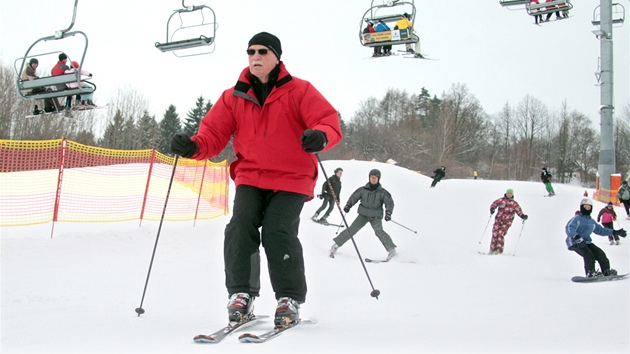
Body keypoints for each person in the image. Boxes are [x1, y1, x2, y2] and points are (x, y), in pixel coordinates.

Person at [169, 32, 342, 329]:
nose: (255, 57)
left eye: (262, 51)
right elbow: (213, 134)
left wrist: (320, 136)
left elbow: (328, 121)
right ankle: (241, 294)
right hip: (251, 175)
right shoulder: (234, 96)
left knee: (277, 230)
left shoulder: (299, 91)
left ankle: (288, 298)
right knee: (240, 225)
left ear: (277, 57)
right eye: (250, 52)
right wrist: (194, 147)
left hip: (292, 177)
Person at [329, 169, 396, 260]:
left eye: (375, 178)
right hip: (363, 215)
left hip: (375, 216)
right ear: (369, 178)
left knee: (379, 232)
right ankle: (336, 245)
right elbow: (354, 197)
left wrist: (388, 213)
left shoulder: (382, 192)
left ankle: (391, 250)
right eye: (371, 177)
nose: (373, 179)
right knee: (352, 229)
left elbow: (389, 203)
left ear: (378, 179)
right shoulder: (363, 190)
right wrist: (348, 205)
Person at [565, 198, 626, 277]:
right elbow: (569, 227)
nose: (587, 209)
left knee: (600, 253)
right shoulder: (577, 219)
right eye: (585, 207)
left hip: (586, 242)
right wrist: (576, 236)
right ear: (581, 207)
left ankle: (606, 271)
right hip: (574, 242)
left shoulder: (591, 221)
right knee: (588, 254)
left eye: (589, 207)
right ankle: (590, 272)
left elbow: (601, 230)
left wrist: (614, 232)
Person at [488, 188, 528, 254]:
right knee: (495, 233)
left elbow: (519, 211)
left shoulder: (514, 203)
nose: (509, 194)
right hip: (498, 220)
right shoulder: (501, 200)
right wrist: (492, 209)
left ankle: (499, 250)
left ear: (512, 194)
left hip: (507, 222)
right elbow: (494, 204)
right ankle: (492, 249)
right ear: (506, 193)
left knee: (500, 233)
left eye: (510, 193)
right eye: (508, 193)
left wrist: (523, 216)